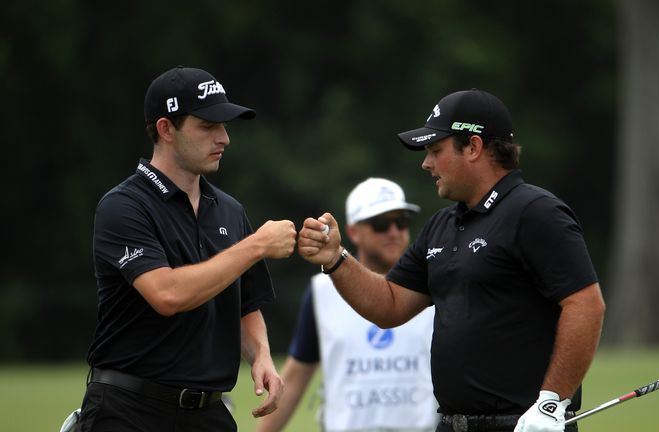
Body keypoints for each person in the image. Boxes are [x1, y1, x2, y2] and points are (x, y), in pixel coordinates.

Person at [297, 89, 605, 432]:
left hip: (525, 425)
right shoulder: (442, 226)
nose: (426, 163)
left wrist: (552, 402)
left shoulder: (536, 212)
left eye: (435, 150)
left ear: (473, 148)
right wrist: (336, 259)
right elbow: (389, 304)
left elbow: (585, 304)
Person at [75, 66, 296, 431]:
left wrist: (261, 356)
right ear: (166, 129)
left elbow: (245, 304)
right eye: (208, 126)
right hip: (129, 412)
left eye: (224, 126)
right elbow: (167, 294)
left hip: (209, 415)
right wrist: (256, 245)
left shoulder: (229, 209)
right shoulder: (123, 206)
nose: (224, 138)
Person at [257, 178, 439, 432]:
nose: (394, 231)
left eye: (402, 222)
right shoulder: (322, 292)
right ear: (353, 231)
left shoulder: (435, 286)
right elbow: (297, 377)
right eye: (381, 224)